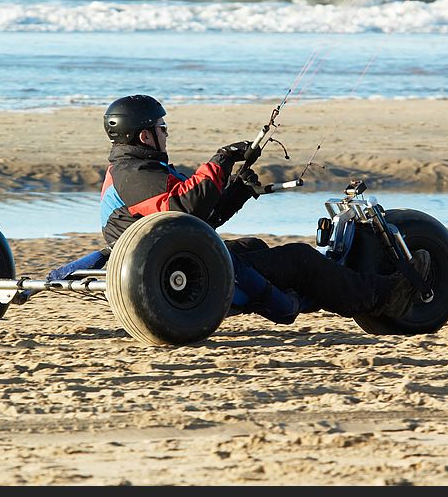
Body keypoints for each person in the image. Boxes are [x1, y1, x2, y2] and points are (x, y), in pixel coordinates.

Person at [99, 94, 430, 324]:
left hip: (172, 254)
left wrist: (238, 191)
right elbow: (186, 207)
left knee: (253, 248)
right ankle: (382, 298)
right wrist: (222, 159)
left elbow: (199, 223)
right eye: (161, 128)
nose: (166, 133)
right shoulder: (134, 174)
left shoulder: (139, 170)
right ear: (145, 135)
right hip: (160, 267)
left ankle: (316, 291)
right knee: (300, 258)